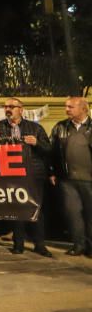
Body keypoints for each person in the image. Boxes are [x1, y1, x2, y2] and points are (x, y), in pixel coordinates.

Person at [0, 98, 52, 257]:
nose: (8, 109)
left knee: (35, 209)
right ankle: (18, 244)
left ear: (21, 109)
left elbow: (48, 150)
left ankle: (40, 245)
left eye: (11, 106)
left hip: (32, 174)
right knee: (16, 209)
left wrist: (36, 143)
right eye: (5, 107)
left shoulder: (35, 127)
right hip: (10, 175)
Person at [49, 97, 92, 257]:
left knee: (90, 214)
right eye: (66, 107)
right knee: (73, 213)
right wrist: (52, 171)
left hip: (89, 179)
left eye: (70, 107)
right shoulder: (60, 127)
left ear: (83, 109)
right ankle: (78, 245)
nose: (67, 109)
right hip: (67, 180)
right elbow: (51, 151)